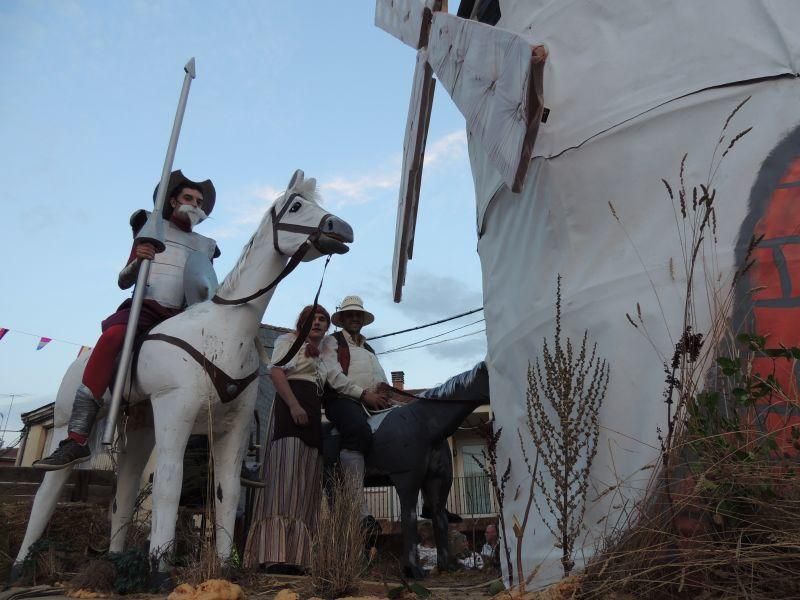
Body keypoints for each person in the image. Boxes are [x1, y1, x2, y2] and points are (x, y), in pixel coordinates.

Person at [33, 171, 219, 470]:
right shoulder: (150, 228)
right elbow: (123, 280)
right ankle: (77, 438)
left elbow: (205, 286)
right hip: (145, 307)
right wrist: (139, 260)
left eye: (199, 201)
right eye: (188, 198)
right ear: (173, 200)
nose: (195, 205)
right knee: (111, 339)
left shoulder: (206, 245)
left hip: (183, 316)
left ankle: (213, 453)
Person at [244, 305, 384, 573]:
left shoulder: (325, 353)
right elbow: (276, 372)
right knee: (285, 477)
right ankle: (274, 556)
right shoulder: (287, 341)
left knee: (306, 481)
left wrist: (363, 393)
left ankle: (298, 557)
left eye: (322, 319)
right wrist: (294, 405)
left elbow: (335, 380)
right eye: (312, 319)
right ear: (302, 322)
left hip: (312, 411)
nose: (318, 323)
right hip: (292, 407)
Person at [322, 295, 392, 520]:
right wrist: (364, 395)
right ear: (341, 319)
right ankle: (358, 507)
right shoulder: (331, 341)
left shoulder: (369, 348)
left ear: (362, 319)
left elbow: (380, 376)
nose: (354, 318)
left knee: (406, 423)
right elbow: (333, 376)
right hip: (342, 400)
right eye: (349, 314)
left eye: (357, 315)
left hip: (372, 403)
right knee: (357, 428)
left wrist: (383, 391)